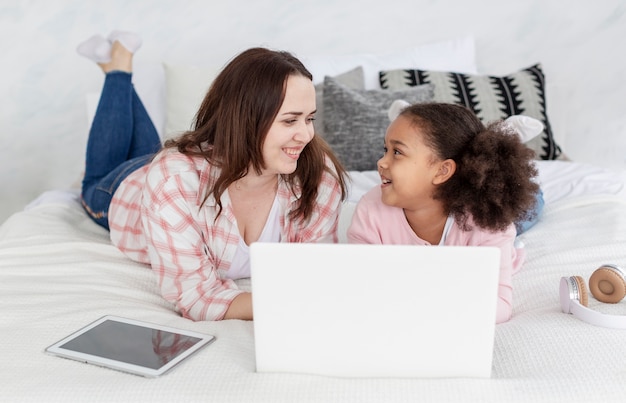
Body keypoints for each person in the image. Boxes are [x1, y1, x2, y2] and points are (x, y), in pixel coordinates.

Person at [77, 31, 348, 321]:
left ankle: (118, 64)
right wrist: (283, 304)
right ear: (245, 120)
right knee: (95, 179)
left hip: (173, 165)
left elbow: (316, 271)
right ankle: (117, 69)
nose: (306, 135)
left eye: (310, 119)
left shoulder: (319, 179)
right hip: (125, 188)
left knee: (151, 150)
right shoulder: (173, 181)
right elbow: (196, 297)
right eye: (290, 120)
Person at [346, 102, 540, 324]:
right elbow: (363, 286)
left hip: (483, 213)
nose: (381, 162)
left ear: (442, 170)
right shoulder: (370, 210)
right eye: (385, 150)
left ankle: (507, 135)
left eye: (397, 152)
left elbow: (500, 306)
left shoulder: (490, 224)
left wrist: (427, 303)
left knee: (532, 209)